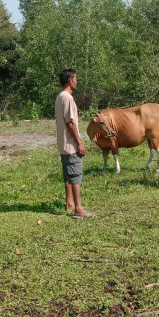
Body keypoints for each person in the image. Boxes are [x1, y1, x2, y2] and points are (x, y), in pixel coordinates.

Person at [55, 68, 92, 217]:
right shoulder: (68, 98)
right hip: (70, 145)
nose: (77, 82)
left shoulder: (59, 97)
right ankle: (78, 208)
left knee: (67, 175)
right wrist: (80, 143)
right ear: (70, 80)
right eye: (76, 79)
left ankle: (69, 203)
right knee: (76, 174)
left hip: (63, 144)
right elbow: (70, 123)